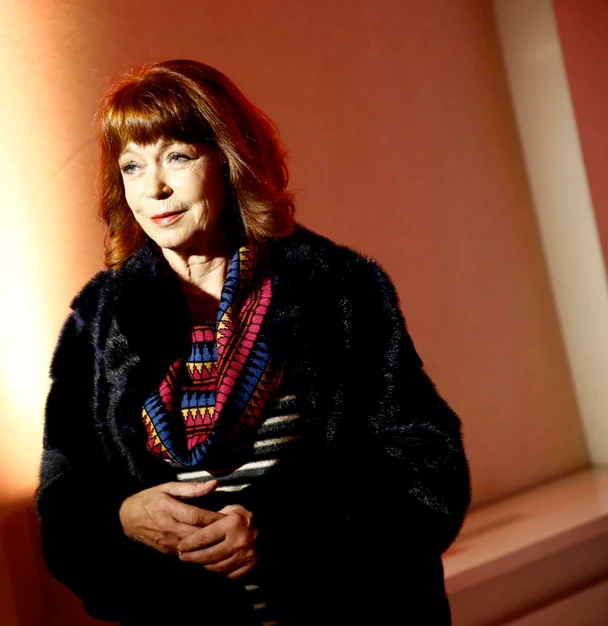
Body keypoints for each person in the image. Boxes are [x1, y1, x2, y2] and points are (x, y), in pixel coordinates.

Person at [36, 59, 470, 625]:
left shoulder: (333, 288)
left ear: (230, 158)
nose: (155, 188)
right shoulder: (98, 321)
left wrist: (280, 530)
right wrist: (120, 517)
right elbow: (63, 502)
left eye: (178, 157)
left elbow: (427, 468)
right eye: (132, 166)